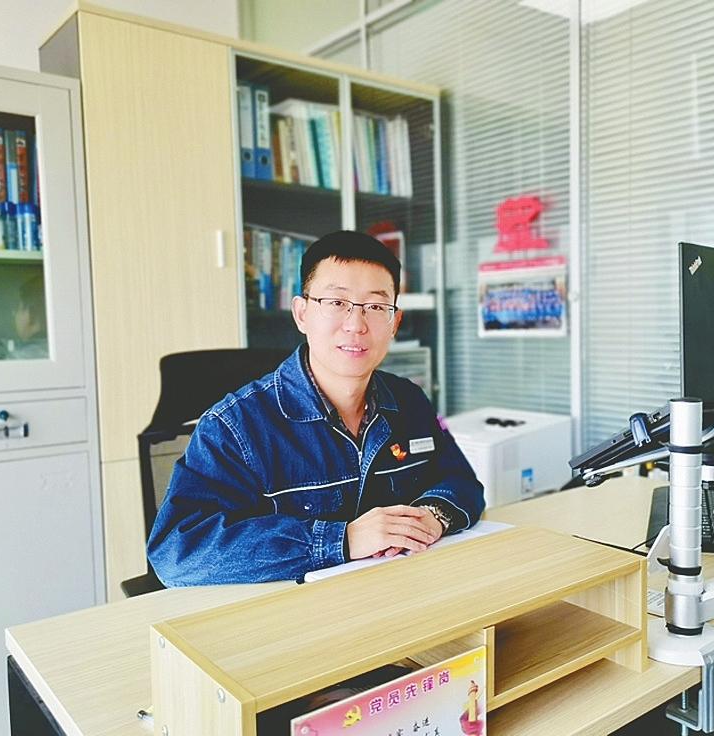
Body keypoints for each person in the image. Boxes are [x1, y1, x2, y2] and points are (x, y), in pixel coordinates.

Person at [147, 230, 485, 585]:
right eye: (336, 303)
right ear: (302, 314)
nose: (356, 325)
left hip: (398, 594)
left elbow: (460, 481)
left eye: (375, 307)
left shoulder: (408, 400)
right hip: (293, 613)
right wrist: (342, 540)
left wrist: (432, 515)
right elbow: (177, 551)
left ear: (394, 323)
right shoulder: (234, 426)